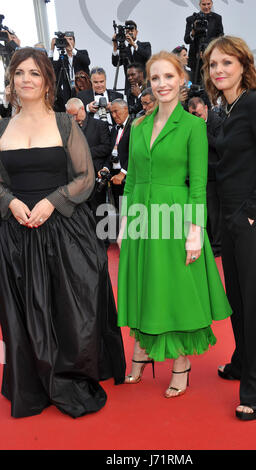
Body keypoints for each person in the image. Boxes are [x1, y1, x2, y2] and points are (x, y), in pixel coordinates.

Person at [0, 47, 126, 419]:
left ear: (47, 82)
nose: (26, 79)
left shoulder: (63, 124)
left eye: (34, 73)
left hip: (64, 228)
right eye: (20, 72)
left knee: (72, 306)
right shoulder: (2, 128)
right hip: (16, 232)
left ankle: (71, 371)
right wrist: (8, 200)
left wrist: (53, 201)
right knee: (25, 310)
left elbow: (85, 177)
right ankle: (32, 379)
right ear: (11, 80)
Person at [117, 51, 232, 399]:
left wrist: (195, 232)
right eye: (155, 78)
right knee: (145, 283)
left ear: (181, 80)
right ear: (147, 84)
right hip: (142, 217)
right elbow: (133, 178)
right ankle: (143, 348)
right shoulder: (137, 126)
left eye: (169, 77)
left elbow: (198, 185)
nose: (162, 84)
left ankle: (181, 361)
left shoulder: (194, 126)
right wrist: (124, 223)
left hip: (176, 218)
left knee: (174, 290)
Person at [203, 36, 256, 420]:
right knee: (236, 297)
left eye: (227, 63)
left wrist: (251, 213)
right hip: (231, 218)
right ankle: (241, 360)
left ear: (243, 66)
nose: (219, 70)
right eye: (214, 65)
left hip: (251, 218)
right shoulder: (225, 109)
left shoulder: (254, 105)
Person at [188, 96, 222, 256]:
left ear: (206, 109)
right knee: (200, 211)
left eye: (199, 115)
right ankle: (205, 242)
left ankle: (217, 245)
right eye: (192, 115)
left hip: (213, 174)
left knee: (214, 213)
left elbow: (220, 146)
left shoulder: (217, 122)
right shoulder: (189, 124)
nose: (196, 118)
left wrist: (202, 132)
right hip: (196, 174)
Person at [184, 0, 224, 84]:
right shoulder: (191, 19)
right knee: (195, 84)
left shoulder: (217, 18)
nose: (206, 7)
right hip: (195, 60)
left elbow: (220, 38)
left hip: (212, 58)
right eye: (204, 4)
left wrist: (207, 49)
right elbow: (187, 40)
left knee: (211, 84)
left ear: (212, 4)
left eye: (208, 4)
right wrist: (193, 32)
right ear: (199, 4)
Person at [49, 31, 90, 111]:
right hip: (68, 93)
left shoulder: (82, 53)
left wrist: (72, 50)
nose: (68, 42)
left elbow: (87, 61)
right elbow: (50, 68)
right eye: (66, 40)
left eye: (70, 39)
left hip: (82, 89)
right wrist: (52, 49)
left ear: (74, 42)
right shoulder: (62, 58)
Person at [112, 20, 152, 92]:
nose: (130, 33)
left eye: (132, 30)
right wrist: (115, 46)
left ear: (136, 32)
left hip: (144, 85)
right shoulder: (124, 50)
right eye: (127, 31)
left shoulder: (145, 45)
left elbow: (148, 56)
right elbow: (115, 63)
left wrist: (134, 45)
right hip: (129, 87)